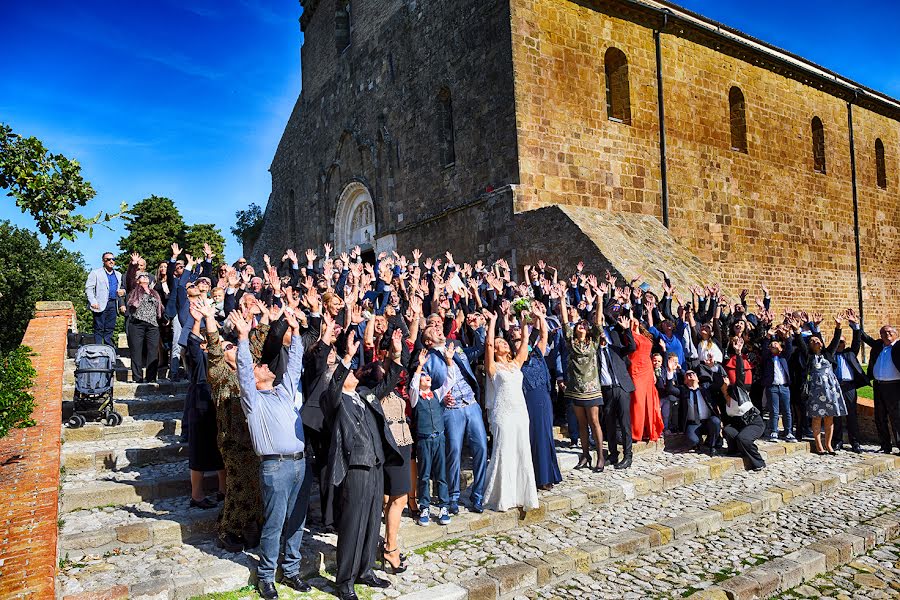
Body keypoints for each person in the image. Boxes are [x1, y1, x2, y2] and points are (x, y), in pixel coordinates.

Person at [232, 309, 312, 599]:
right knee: (275, 523)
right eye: (258, 366)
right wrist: (242, 339)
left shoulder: (282, 391)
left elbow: (294, 367)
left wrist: (296, 333)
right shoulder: (253, 401)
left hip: (300, 464)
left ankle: (291, 571)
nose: (264, 366)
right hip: (275, 468)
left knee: (296, 522)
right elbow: (242, 371)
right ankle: (266, 576)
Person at [325, 330, 405, 600]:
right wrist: (346, 356)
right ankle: (344, 580)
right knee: (353, 523)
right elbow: (334, 385)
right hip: (354, 467)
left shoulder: (364, 395)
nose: (350, 374)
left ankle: (365, 570)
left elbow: (390, 382)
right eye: (346, 372)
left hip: (376, 464)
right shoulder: (335, 401)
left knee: (372, 521)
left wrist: (395, 352)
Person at [422, 320, 487, 514]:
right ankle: (453, 496)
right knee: (454, 451)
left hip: (472, 403)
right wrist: (441, 397)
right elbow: (425, 388)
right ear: (427, 342)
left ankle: (478, 496)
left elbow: (479, 349)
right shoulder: (428, 360)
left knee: (482, 447)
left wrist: (478, 329)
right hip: (452, 409)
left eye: (438, 327)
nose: (437, 329)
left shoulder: (456, 347)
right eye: (432, 330)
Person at [482, 310, 539, 512]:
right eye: (499, 343)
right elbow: (488, 345)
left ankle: (524, 494)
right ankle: (503, 497)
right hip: (503, 413)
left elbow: (525, 342)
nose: (503, 344)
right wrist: (493, 321)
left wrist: (524, 322)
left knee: (522, 449)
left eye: (504, 342)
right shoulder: (493, 368)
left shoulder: (516, 364)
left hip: (520, 413)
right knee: (504, 450)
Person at [555, 283, 605, 471]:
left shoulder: (593, 341)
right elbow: (565, 322)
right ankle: (584, 455)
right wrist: (561, 299)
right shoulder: (570, 341)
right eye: (579, 325)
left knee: (594, 422)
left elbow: (598, 323)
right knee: (581, 424)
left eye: (584, 325)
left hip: (591, 388)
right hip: (575, 388)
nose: (581, 326)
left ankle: (600, 456)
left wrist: (599, 299)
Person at [513, 304, 562, 489]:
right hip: (527, 401)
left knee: (545, 435)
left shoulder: (538, 356)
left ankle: (546, 475)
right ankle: (534, 476)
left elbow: (544, 335)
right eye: (518, 346)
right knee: (532, 437)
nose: (522, 348)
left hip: (543, 399)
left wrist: (541, 316)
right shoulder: (516, 362)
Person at [409, 345, 457, 526]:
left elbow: (449, 380)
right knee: (424, 474)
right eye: (423, 377)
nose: (426, 378)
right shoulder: (415, 397)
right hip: (424, 440)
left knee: (441, 474)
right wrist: (419, 367)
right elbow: (413, 385)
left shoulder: (436, 393)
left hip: (439, 438)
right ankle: (425, 507)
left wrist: (449, 360)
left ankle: (444, 505)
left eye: (428, 376)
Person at [185, 303, 226, 510]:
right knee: (200, 451)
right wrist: (197, 320)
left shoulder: (220, 357)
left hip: (219, 403)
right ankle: (197, 495)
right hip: (200, 405)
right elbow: (192, 344)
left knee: (222, 449)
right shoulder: (199, 356)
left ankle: (223, 490)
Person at [794, 315, 847, 455]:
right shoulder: (809, 356)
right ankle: (819, 446)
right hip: (816, 390)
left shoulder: (828, 354)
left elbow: (836, 341)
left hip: (830, 389)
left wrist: (838, 327)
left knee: (830, 418)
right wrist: (797, 330)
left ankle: (829, 445)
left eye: (817, 339)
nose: (815, 341)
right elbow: (800, 343)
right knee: (817, 418)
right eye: (812, 340)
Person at [721, 337, 766, 471]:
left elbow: (740, 373)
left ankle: (759, 462)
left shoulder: (738, 390)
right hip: (739, 424)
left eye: (726, 381)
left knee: (744, 438)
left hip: (754, 422)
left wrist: (738, 354)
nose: (725, 381)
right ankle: (736, 451)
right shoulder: (724, 400)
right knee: (728, 430)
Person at [599, 314, 636, 470]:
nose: (601, 335)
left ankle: (628, 456)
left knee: (624, 423)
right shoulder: (595, 353)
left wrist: (627, 330)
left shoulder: (615, 349)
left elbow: (632, 347)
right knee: (609, 424)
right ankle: (613, 454)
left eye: (603, 333)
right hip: (606, 391)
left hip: (621, 388)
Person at [860, 322, 900, 454]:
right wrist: (855, 325)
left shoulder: (899, 346)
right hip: (879, 386)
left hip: (894, 386)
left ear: (896, 334)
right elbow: (866, 338)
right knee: (880, 416)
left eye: (889, 332)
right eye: (883, 332)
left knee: (897, 417)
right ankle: (885, 445)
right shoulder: (879, 346)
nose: (886, 334)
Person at [832, 309, 867, 452]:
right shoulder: (831, 355)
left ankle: (855, 442)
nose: (840, 344)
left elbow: (857, 341)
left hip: (849, 386)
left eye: (842, 342)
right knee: (837, 416)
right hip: (836, 387)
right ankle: (838, 441)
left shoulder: (850, 353)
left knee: (852, 415)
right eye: (838, 342)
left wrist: (855, 326)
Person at [629, 318, 665, 443]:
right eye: (630, 318)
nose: (633, 320)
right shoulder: (628, 334)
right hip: (636, 368)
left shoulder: (645, 335)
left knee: (649, 400)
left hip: (647, 369)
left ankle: (648, 430)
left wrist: (653, 373)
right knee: (638, 400)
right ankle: (636, 432)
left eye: (635, 318)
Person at [124, 271, 162, 382]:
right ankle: (137, 378)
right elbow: (129, 278)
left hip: (152, 324)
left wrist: (164, 318)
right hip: (137, 324)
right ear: (137, 280)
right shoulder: (134, 291)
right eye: (142, 276)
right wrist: (133, 265)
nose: (145, 278)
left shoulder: (154, 292)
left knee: (153, 352)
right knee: (136, 351)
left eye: (146, 276)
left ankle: (151, 378)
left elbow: (159, 307)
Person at [758, 333, 796, 441]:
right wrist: (767, 337)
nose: (774, 345)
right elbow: (764, 350)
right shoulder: (767, 358)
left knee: (787, 411)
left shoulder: (784, 357)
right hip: (772, 387)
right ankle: (774, 431)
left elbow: (789, 348)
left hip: (784, 387)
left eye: (776, 344)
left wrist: (787, 337)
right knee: (774, 411)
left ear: (780, 348)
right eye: (772, 345)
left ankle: (788, 431)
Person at [85, 251, 124, 346]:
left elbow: (122, 288)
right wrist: (93, 301)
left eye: (113, 259)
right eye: (108, 259)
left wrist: (123, 292)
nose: (111, 261)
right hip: (100, 304)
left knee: (110, 328)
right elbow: (89, 288)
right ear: (103, 261)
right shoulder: (95, 273)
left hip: (113, 304)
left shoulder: (118, 274)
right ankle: (98, 349)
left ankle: (108, 349)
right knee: (99, 328)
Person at [679, 369, 721, 454]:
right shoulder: (683, 391)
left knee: (715, 421)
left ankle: (711, 445)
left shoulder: (706, 389)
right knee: (692, 441)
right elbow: (670, 389)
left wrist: (713, 367)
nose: (690, 375)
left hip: (707, 422)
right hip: (693, 424)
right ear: (685, 381)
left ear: (698, 378)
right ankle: (698, 442)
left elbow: (719, 383)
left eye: (693, 373)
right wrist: (670, 371)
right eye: (687, 375)